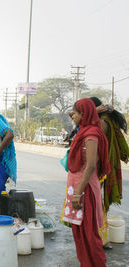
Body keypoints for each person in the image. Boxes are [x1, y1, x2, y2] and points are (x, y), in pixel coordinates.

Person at [61, 98, 111, 267]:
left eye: (75, 113)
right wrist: (88, 110)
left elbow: (90, 166)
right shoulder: (84, 129)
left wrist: (77, 193)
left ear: (83, 115)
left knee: (89, 235)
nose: (72, 116)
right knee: (80, 234)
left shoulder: (91, 134)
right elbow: (78, 113)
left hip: (84, 190)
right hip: (78, 188)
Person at [90, 97, 129, 246]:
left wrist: (93, 111)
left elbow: (84, 121)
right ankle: (102, 238)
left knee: (96, 203)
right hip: (105, 165)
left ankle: (100, 239)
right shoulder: (108, 120)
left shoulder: (101, 123)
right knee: (100, 203)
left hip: (98, 167)